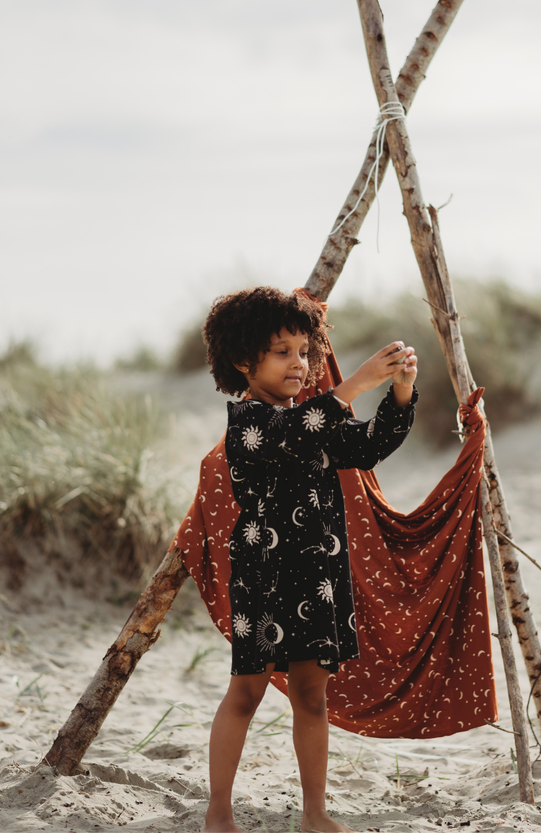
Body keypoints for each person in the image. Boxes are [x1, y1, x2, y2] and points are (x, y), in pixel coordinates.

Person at [199, 286, 418, 833]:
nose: (298, 363)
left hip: (318, 574)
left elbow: (365, 446)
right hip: (263, 574)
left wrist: (400, 393)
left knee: (311, 694)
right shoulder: (248, 422)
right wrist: (353, 385)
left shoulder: (313, 416)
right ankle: (218, 812)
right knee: (246, 690)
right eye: (282, 352)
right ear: (243, 361)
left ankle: (315, 814)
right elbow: (294, 434)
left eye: (305, 351)